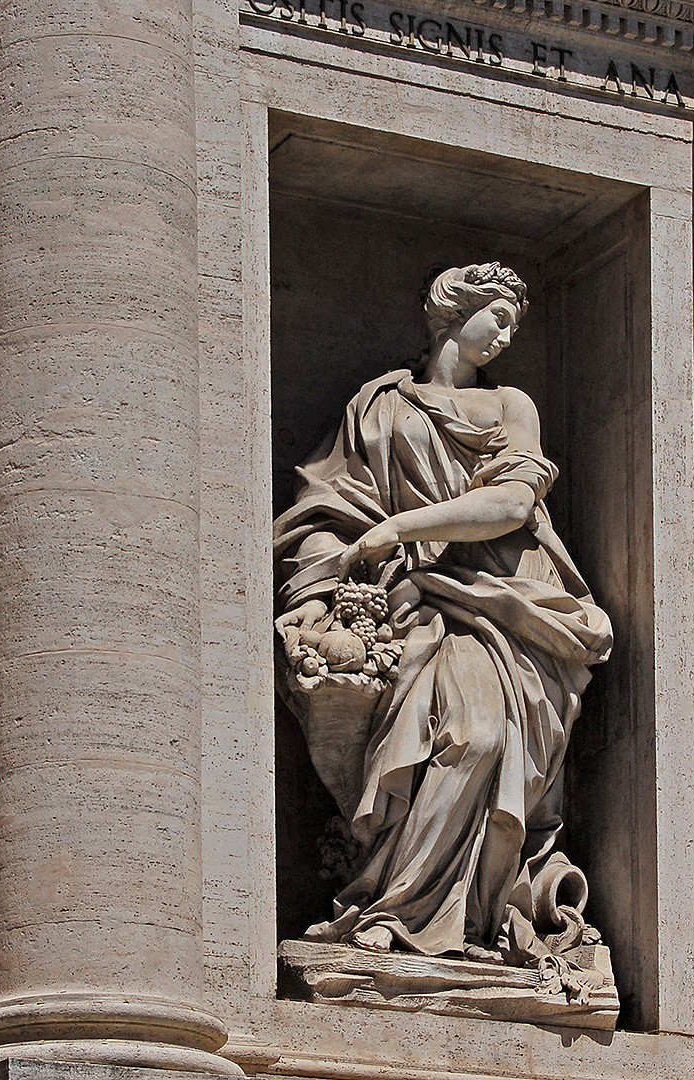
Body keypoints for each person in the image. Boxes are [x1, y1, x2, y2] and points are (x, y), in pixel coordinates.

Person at [273, 262, 614, 965]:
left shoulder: (511, 405)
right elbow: (328, 510)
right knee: (442, 743)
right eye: (497, 315)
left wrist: (398, 528)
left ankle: (452, 918)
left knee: (483, 737)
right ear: (451, 312)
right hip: (408, 605)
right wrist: (313, 596)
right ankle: (392, 909)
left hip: (507, 603)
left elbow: (514, 506)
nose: (506, 333)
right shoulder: (377, 407)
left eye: (517, 324)